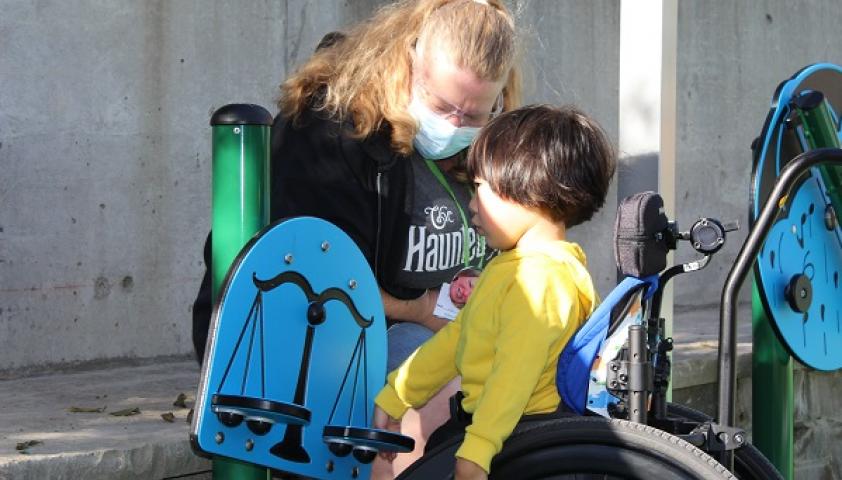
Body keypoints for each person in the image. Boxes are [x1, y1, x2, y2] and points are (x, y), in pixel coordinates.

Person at [191, 0, 522, 475]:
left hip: (422, 334)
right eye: (443, 106)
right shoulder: (332, 131)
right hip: (319, 340)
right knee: (445, 393)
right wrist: (428, 312)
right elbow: (322, 288)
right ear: (407, 62)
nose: (454, 127)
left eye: (474, 116)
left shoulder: (491, 140)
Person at [373, 104, 617, 479]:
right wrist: (398, 393)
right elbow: (461, 338)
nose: (471, 206)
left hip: (518, 442)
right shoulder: (517, 267)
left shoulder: (539, 280)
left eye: (480, 189)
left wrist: (478, 449)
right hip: (498, 432)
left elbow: (514, 374)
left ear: (529, 191)